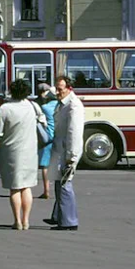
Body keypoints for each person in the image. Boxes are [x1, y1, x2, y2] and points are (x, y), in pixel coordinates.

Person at [0, 80, 45, 230]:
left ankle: (17, 220)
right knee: (26, 187)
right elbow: (43, 123)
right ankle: (26, 219)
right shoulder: (32, 106)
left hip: (10, 151)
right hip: (30, 151)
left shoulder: (5, 108)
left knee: (15, 188)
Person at [44, 76, 85, 231]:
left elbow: (74, 133)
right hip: (60, 147)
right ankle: (59, 216)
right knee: (59, 182)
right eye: (57, 89)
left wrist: (72, 157)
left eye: (60, 89)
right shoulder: (63, 104)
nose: (58, 92)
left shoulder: (74, 106)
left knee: (64, 183)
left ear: (69, 88)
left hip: (67, 150)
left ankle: (69, 221)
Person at [36, 84, 59, 199]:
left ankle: (46, 190)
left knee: (45, 166)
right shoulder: (61, 106)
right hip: (59, 137)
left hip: (47, 137)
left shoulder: (45, 107)